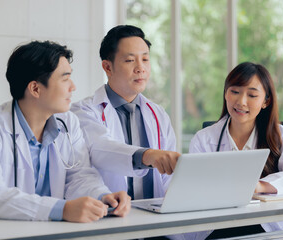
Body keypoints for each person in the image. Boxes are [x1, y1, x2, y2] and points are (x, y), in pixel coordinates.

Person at [0, 41, 130, 222]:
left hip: (36, 231)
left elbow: (79, 176)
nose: (73, 87)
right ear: (35, 88)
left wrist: (102, 196)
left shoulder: (68, 123)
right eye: (65, 78)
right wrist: (61, 209)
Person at [71, 25, 210, 240]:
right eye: (130, 60)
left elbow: (168, 178)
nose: (140, 68)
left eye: (145, 59)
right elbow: (102, 147)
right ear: (107, 67)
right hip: (108, 226)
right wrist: (147, 156)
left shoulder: (158, 114)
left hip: (156, 228)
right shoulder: (83, 112)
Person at [189, 62, 283, 238]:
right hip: (217, 226)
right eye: (235, 92)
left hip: (266, 226)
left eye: (252, 95)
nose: (241, 102)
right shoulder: (203, 139)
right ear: (226, 93)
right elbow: (192, 188)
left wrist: (259, 186)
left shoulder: (281, 136)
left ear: (266, 101)